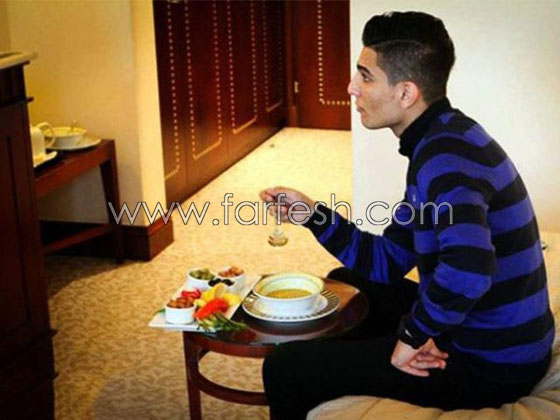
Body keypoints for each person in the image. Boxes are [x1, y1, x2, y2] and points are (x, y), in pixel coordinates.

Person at [259, 11, 553, 420]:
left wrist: (413, 336)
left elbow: (469, 270)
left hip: (493, 362)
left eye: (365, 76)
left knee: (284, 368)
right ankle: (350, 363)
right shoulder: (444, 137)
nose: (351, 87)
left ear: (406, 93)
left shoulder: (444, 158)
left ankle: (341, 366)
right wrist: (313, 215)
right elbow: (388, 261)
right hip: (483, 330)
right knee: (349, 282)